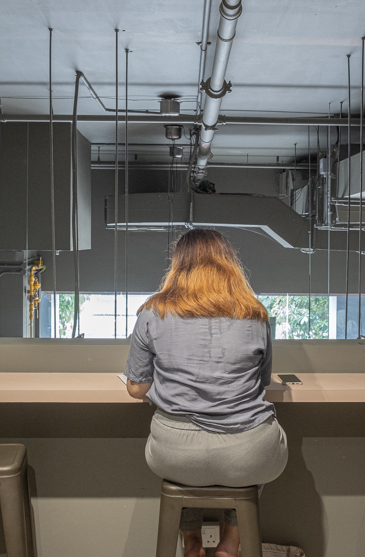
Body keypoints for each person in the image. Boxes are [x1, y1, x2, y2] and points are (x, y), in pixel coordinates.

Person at [125, 228, 288, 557]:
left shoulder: (152, 312)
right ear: (229, 264)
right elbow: (261, 381)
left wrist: (174, 383)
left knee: (190, 465)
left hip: (174, 453)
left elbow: (136, 388)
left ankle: (192, 542)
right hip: (247, 452)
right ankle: (231, 541)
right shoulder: (255, 314)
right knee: (256, 449)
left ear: (177, 265)